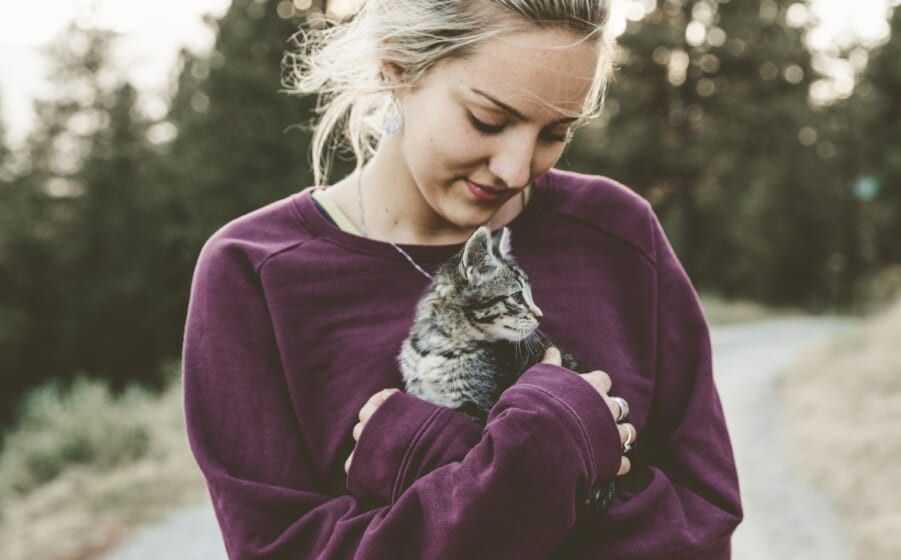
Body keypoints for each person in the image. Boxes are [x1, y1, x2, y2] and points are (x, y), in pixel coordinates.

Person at [181, 0, 742, 558]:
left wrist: (429, 463)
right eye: (488, 120)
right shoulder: (254, 274)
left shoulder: (618, 236)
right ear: (397, 64)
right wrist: (542, 450)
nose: (516, 169)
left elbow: (701, 527)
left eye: (555, 132)